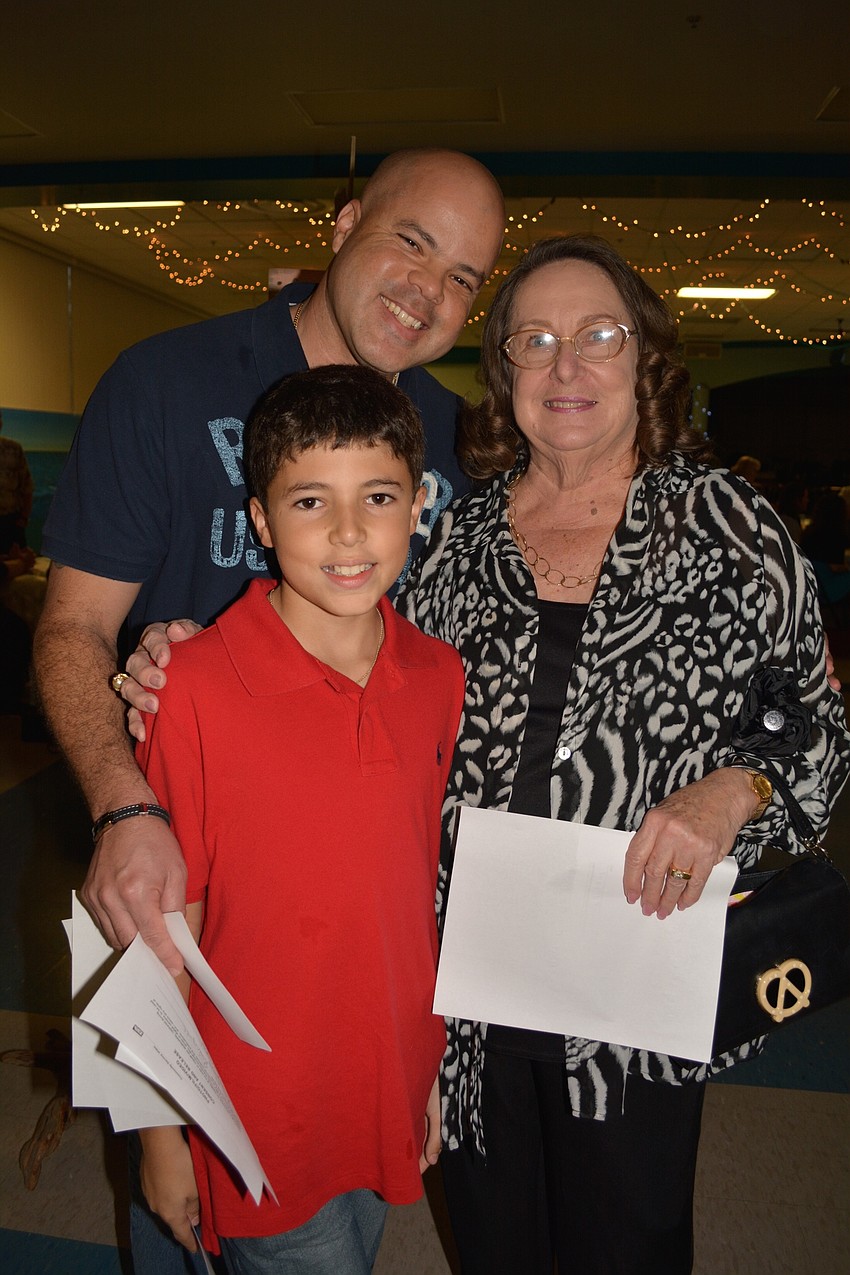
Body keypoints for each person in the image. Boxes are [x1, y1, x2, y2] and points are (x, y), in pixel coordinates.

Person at [397, 235, 850, 1274]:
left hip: (635, 973)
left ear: (643, 360)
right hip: (469, 972)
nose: (566, 367)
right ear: (503, 371)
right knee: (492, 1236)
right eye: (534, 339)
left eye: (597, 335)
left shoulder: (728, 527)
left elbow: (819, 730)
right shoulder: (460, 545)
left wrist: (733, 789)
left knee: (626, 1240)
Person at [34, 147, 505, 982]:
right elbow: (74, 627)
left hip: (365, 882)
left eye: (465, 277)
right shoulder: (165, 383)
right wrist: (122, 805)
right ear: (346, 224)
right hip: (183, 853)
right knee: (172, 1099)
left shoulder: (458, 443)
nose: (429, 291)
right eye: (412, 242)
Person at [134, 364, 464, 1272]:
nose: (351, 533)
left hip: (385, 1079)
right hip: (255, 1108)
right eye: (312, 500)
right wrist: (162, 1129)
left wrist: (422, 1074)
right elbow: (165, 925)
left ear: (418, 505)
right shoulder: (194, 688)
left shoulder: (439, 676)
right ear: (261, 522)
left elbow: (407, 893)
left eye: (380, 496)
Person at [0, 409, 34, 554]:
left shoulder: (13, 449)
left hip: (11, 522)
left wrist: (23, 519)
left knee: (19, 567)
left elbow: (27, 487)